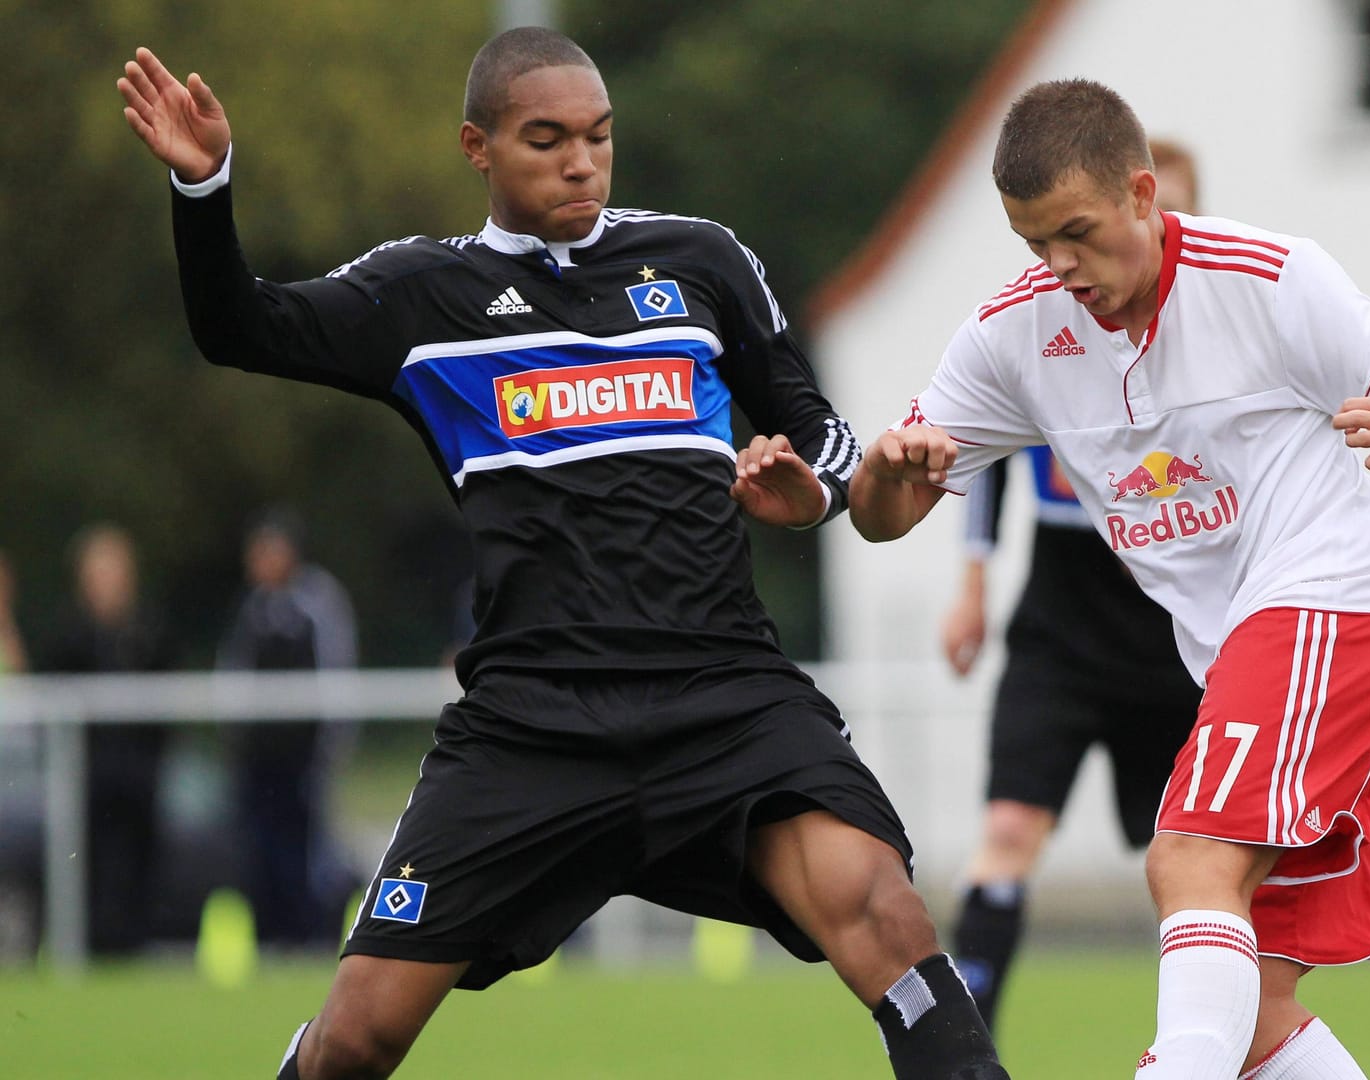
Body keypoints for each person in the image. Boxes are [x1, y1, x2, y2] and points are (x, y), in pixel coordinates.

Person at [118, 31, 1006, 1080]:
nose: (581, 162)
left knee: (888, 919)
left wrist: (824, 493)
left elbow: (834, 455)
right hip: (533, 723)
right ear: (478, 147)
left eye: (598, 137)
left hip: (723, 697)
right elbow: (242, 327)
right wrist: (205, 187)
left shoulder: (704, 264)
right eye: (545, 141)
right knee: (356, 1040)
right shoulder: (422, 296)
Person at [849, 79, 1370, 1079]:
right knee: (1257, 1011)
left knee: (1186, 857)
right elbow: (885, 517)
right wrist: (884, 475)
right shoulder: (1015, 335)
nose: (1060, 267)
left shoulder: (1268, 278)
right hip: (1282, 645)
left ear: (1144, 195)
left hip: (1340, 608)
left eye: (1077, 232)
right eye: (1033, 244)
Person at [939, 139, 1204, 1030]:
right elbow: (985, 452)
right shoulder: (1044, 328)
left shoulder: (1220, 323)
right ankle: (966, 1043)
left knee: (1190, 860)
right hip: (1057, 627)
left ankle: (1217, 1036)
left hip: (1175, 634)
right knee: (1008, 834)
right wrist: (971, 583)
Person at [217, 509, 359, 950]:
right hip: (259, 763)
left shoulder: (317, 601)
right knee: (259, 859)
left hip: (302, 762)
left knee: (305, 859)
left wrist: (329, 751)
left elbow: (337, 673)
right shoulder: (252, 608)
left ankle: (309, 943)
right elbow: (233, 678)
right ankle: (269, 944)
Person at [36, 524, 180, 956]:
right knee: (89, 868)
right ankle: (87, 949)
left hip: (138, 779)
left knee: (139, 866)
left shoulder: (150, 631)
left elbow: (169, 704)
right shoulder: (68, 634)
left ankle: (136, 946)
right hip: (87, 781)